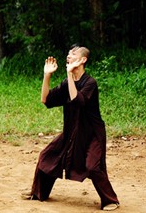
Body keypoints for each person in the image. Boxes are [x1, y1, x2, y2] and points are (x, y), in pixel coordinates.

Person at [26, 45, 120, 211]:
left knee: (93, 166)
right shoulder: (66, 83)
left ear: (83, 60)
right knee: (47, 156)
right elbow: (45, 100)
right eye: (68, 53)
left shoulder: (90, 82)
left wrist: (69, 75)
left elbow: (78, 101)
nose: (69, 56)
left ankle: (110, 200)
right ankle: (38, 192)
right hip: (72, 131)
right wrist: (46, 75)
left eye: (73, 54)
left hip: (92, 133)